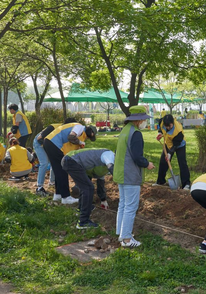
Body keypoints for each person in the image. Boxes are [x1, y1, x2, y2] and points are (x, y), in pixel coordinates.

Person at [114, 105, 155, 248]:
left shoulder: (125, 130)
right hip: (130, 174)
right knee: (131, 207)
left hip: (121, 173)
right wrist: (147, 164)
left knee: (123, 205)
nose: (145, 121)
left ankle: (120, 232)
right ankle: (126, 239)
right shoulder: (136, 133)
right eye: (144, 119)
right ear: (139, 120)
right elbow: (137, 157)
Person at [43, 122, 97, 204]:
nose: (88, 139)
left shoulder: (81, 135)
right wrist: (80, 143)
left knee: (58, 170)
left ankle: (58, 194)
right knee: (62, 171)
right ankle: (66, 197)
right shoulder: (80, 127)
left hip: (50, 143)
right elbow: (71, 137)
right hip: (54, 143)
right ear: (90, 131)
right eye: (90, 136)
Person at [61, 148, 114, 229]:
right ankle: (83, 221)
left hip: (73, 161)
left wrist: (103, 200)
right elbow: (111, 167)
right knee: (88, 188)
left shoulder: (103, 167)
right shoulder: (109, 155)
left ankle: (81, 210)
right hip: (71, 160)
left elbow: (100, 183)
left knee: (86, 187)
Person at [155, 114, 191, 190]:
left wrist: (169, 153)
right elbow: (161, 128)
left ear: (173, 123)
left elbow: (176, 145)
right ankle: (160, 181)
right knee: (163, 162)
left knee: (182, 163)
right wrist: (160, 133)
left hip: (179, 144)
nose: (168, 128)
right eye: (166, 126)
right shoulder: (162, 121)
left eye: (170, 126)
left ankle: (186, 184)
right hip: (168, 143)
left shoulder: (178, 130)